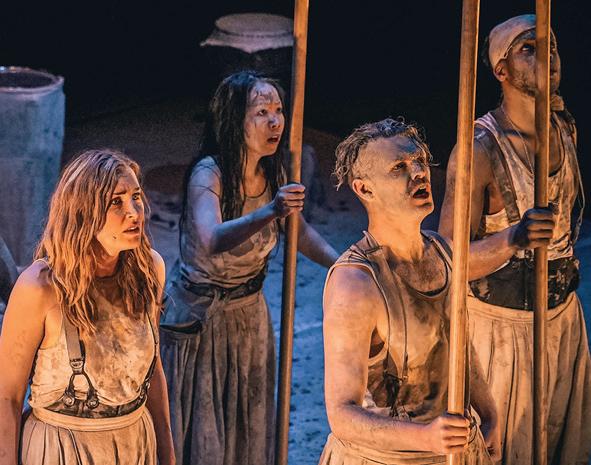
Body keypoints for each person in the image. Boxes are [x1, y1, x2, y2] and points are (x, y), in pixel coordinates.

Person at [160, 71, 338, 465]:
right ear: (234, 120)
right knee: (204, 426)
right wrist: (272, 210)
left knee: (246, 420)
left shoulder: (273, 173)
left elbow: (298, 231)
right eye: (261, 112)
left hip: (249, 316)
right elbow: (211, 237)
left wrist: (341, 265)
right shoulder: (209, 173)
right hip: (201, 319)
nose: (275, 121)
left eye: (278, 110)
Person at [439, 14, 591, 464]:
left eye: (551, 45)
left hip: (563, 324)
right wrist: (513, 237)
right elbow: (446, 259)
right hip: (503, 335)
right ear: (501, 69)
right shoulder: (480, 149)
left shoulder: (564, 129)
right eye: (530, 48)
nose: (548, 55)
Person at [318, 118, 500, 465]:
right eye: (399, 167)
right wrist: (425, 437)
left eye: (419, 160)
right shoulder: (356, 283)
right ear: (364, 189)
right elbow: (341, 414)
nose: (419, 173)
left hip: (454, 451)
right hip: (386, 459)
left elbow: (458, 344)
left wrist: (489, 413)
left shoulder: (442, 253)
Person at [0, 149, 175, 465]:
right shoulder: (40, 288)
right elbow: (7, 397)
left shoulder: (149, 269)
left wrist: (168, 454)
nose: (134, 212)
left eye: (136, 197)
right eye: (116, 202)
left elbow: (152, 369)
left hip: (134, 442)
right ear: (83, 212)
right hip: (62, 448)